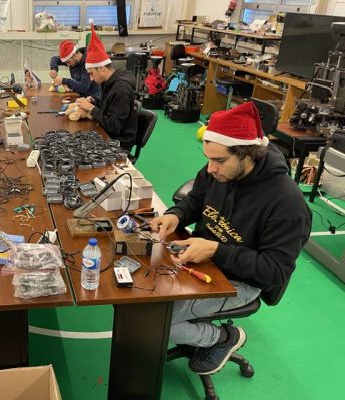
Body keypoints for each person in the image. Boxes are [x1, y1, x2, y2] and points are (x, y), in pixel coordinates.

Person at [149, 102, 311, 376]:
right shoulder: (218, 172)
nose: (211, 168)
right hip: (204, 262)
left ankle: (223, 338)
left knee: (154, 321)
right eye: (208, 159)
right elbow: (196, 200)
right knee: (144, 297)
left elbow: (274, 271)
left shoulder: (286, 204)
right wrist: (176, 215)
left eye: (220, 160)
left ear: (248, 154)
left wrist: (216, 250)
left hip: (241, 281)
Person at [74, 26, 137, 151]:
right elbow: (108, 108)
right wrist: (93, 101)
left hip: (118, 142)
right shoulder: (108, 82)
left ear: (102, 68)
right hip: (108, 133)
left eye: (91, 73)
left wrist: (91, 109)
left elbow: (114, 126)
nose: (91, 79)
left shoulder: (121, 89)